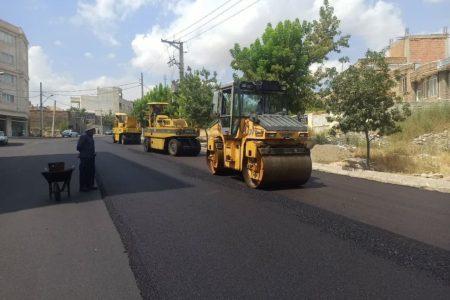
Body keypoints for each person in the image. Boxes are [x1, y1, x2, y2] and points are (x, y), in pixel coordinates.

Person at [77, 125, 97, 192]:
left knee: (91, 172)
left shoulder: (90, 137)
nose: (94, 131)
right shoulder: (84, 137)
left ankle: (90, 185)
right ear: (89, 131)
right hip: (85, 158)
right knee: (84, 173)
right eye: (93, 130)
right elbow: (79, 147)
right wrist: (85, 153)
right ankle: (83, 187)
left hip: (91, 157)